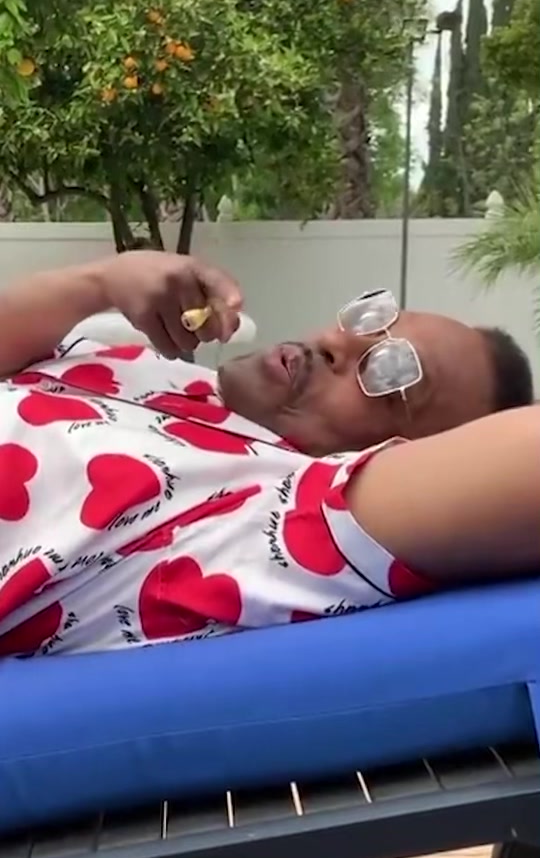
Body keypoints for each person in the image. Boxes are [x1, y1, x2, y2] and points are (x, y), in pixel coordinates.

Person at [0, 251, 536, 658]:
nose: (339, 343)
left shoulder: (271, 513)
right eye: (372, 319)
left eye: (392, 371)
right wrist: (100, 280)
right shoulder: (163, 375)